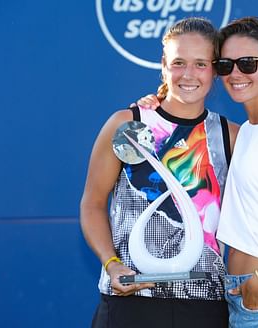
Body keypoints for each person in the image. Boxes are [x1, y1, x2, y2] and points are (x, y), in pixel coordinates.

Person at [137, 16, 258, 328]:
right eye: (226, 65)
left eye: (248, 63)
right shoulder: (244, 133)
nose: (236, 73)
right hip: (242, 295)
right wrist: (159, 101)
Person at [80, 17, 239, 328]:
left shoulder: (230, 135)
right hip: (130, 302)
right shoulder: (126, 125)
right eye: (179, 62)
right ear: (164, 65)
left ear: (215, 70)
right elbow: (92, 203)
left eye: (200, 64)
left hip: (205, 306)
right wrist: (111, 264)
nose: (189, 74)